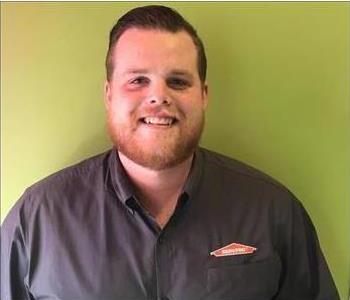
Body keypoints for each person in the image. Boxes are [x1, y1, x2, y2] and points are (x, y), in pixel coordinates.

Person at [1, 5, 340, 300]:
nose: (158, 96)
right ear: (109, 95)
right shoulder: (37, 220)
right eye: (137, 80)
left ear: (203, 95)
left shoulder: (273, 211)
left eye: (178, 81)